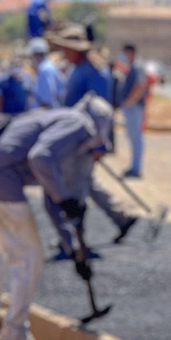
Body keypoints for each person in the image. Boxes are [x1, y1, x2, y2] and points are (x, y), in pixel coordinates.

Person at [0, 94, 114, 340]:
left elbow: (53, 202)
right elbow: (41, 157)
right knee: (30, 259)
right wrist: (64, 199)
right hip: (3, 187)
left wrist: (73, 249)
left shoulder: (54, 118)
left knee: (5, 249)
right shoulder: (79, 124)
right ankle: (14, 332)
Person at [48, 25, 139, 243]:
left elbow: (100, 109)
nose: (63, 53)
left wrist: (99, 144)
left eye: (66, 48)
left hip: (84, 138)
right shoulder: (79, 69)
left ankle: (72, 238)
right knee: (85, 182)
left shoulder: (92, 71)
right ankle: (121, 217)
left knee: (74, 186)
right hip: (75, 136)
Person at [117, 43, 148, 178]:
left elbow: (140, 86)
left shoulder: (137, 66)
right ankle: (134, 166)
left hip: (134, 107)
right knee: (132, 136)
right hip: (131, 107)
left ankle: (136, 168)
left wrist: (129, 101)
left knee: (136, 138)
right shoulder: (132, 66)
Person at [28, 38, 65, 109]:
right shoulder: (49, 66)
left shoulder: (44, 69)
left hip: (46, 113)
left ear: (36, 55)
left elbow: (46, 97)